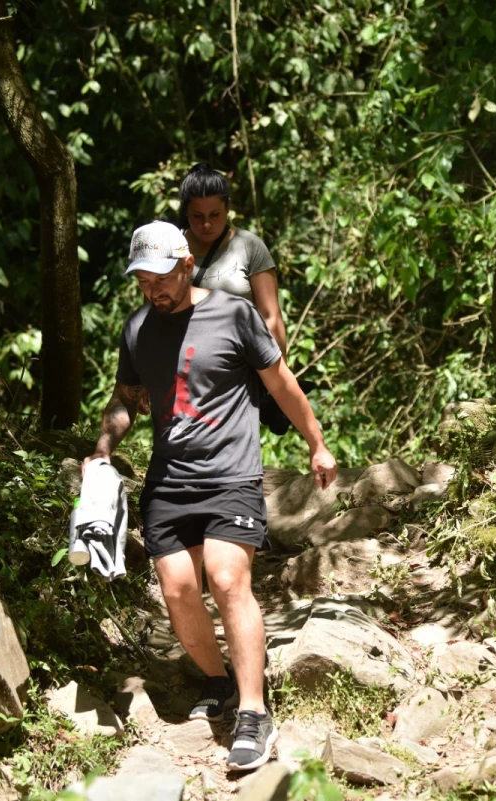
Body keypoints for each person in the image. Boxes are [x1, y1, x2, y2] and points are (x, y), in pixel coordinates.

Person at [84, 220, 337, 771]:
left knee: (226, 578)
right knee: (176, 591)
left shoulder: (234, 314)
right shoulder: (137, 329)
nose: (152, 288)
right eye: (142, 280)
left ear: (183, 263)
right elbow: (127, 398)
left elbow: (281, 383)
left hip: (231, 476)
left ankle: (253, 711)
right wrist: (104, 447)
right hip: (169, 481)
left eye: (159, 276)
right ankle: (220, 683)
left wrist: (316, 443)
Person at [178, 163, 296, 434]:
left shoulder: (249, 247)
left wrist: (279, 383)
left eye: (214, 215)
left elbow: (271, 316)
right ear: (185, 211)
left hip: (239, 375)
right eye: (197, 216)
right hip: (184, 375)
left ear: (228, 207)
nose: (206, 224)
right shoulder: (172, 249)